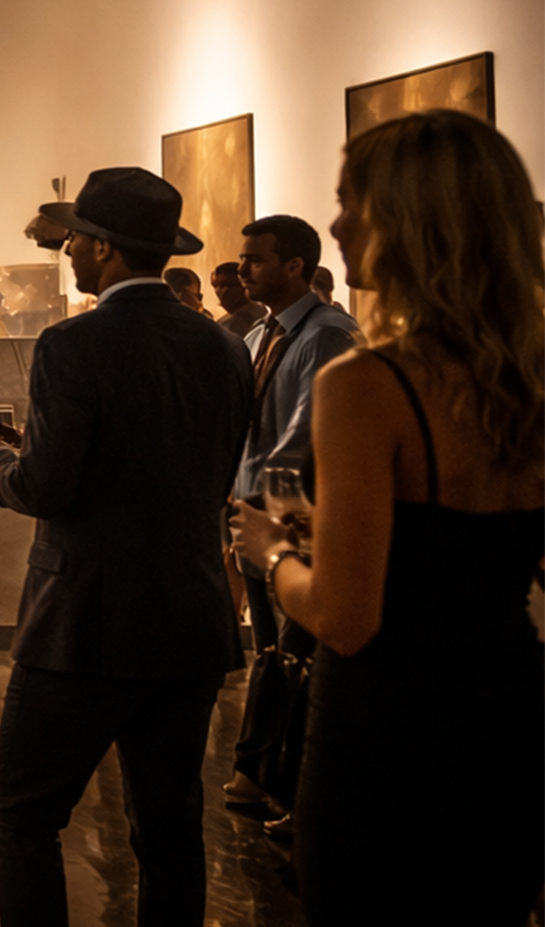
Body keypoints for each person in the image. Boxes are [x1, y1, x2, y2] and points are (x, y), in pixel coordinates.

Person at [233, 111, 543, 924]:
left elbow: (345, 615)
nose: (335, 223)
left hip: (386, 733)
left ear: (412, 218)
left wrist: (271, 550)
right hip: (511, 715)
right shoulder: (529, 378)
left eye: (350, 199)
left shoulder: (365, 382)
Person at [0, 167, 251, 927]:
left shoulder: (71, 345)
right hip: (188, 616)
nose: (65, 252)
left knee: (21, 811)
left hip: (83, 624)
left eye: (74, 240)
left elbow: (47, 488)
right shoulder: (224, 349)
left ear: (103, 248)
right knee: (168, 828)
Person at [223, 214, 361, 823]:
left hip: (293, 514)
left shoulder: (327, 333)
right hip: (255, 511)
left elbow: (302, 442)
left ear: (295, 267)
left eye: (256, 259)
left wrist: (270, 522)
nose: (245, 269)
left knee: (295, 648)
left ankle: (276, 777)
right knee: (271, 650)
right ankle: (262, 770)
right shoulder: (259, 336)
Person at [211, 260, 267, 339]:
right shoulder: (223, 322)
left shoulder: (256, 317)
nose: (223, 291)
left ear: (245, 285)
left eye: (231, 285)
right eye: (217, 285)